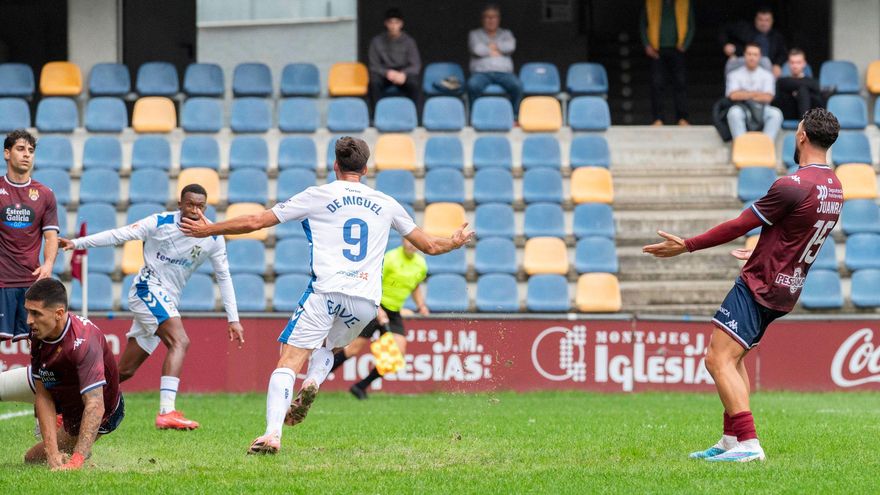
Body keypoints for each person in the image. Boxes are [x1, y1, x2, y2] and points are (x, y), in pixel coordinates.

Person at [179, 136, 473, 455]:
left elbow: (255, 221)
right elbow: (428, 245)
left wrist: (209, 229)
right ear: (365, 168)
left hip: (326, 290)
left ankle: (272, 434)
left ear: (335, 166)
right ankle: (315, 381)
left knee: (288, 359)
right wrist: (455, 241)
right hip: (365, 302)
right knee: (329, 347)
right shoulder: (386, 203)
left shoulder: (317, 195)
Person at [643, 108, 842, 462]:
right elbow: (796, 235)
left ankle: (749, 444)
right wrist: (760, 249)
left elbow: (739, 224)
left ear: (801, 137)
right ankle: (731, 440)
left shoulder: (792, 185)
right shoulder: (835, 187)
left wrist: (687, 245)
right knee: (733, 360)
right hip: (786, 286)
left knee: (716, 359)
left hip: (760, 284)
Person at [59, 184, 244, 430]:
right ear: (180, 204)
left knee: (124, 370)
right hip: (147, 289)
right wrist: (76, 243)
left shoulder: (213, 237)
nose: (195, 210)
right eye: (190, 204)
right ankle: (167, 411)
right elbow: (119, 234)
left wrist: (233, 318)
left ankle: (65, 405)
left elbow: (224, 277)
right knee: (180, 341)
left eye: (200, 206)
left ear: (206, 208)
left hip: (167, 300)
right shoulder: (160, 223)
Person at [23, 279, 124, 470]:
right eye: (28, 311)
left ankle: (80, 447)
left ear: (59, 313)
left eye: (36, 313)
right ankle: (64, 428)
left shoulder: (83, 342)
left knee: (32, 459)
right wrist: (51, 452)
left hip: (100, 412)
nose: (29, 320)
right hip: (63, 388)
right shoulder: (38, 333)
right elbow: (43, 395)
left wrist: (75, 461)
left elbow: (95, 405)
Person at [0, 129, 59, 405]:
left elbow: (50, 236)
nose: (26, 155)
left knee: (42, 352)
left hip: (30, 284)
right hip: (1, 283)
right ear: (7, 153)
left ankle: (45, 412)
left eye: (31, 151)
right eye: (21, 149)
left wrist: (48, 265)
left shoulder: (45, 194)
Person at [338, 238, 428, 400]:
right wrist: (378, 309)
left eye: (415, 243)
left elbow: (415, 286)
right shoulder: (391, 258)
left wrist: (421, 305)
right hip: (374, 306)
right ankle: (316, 381)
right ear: (403, 241)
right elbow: (373, 283)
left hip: (393, 312)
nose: (411, 245)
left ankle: (360, 386)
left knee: (396, 355)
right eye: (409, 241)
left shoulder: (421, 265)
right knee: (352, 350)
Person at [640, 0, 695, 126]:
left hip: (677, 49)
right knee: (657, 84)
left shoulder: (684, 3)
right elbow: (643, 24)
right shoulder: (650, 2)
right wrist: (647, 45)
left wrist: (685, 44)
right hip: (657, 50)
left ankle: (682, 118)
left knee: (680, 83)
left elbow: (691, 25)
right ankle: (658, 118)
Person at [467, 4, 523, 114]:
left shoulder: (506, 33)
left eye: (494, 17)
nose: (491, 20)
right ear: (482, 19)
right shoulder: (474, 34)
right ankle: (475, 116)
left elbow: (510, 46)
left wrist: (488, 48)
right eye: (487, 17)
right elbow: (477, 49)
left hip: (504, 73)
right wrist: (499, 49)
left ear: (499, 19)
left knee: (517, 86)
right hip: (481, 73)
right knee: (472, 85)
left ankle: (514, 118)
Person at [725, 43, 783, 139]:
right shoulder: (734, 74)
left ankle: (765, 147)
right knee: (733, 113)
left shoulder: (767, 75)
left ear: (760, 57)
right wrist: (757, 94)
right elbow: (733, 96)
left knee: (776, 114)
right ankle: (741, 147)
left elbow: (768, 97)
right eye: (749, 54)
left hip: (762, 108)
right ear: (744, 55)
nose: (752, 57)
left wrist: (744, 93)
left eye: (755, 54)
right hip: (742, 108)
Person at [368, 8, 422, 110]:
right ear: (386, 24)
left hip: (403, 74)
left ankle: (416, 118)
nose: (393, 26)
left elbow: (416, 65)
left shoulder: (409, 42)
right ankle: (376, 117)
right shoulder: (376, 41)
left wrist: (403, 74)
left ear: (401, 24)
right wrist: (387, 73)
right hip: (384, 75)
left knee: (414, 84)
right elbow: (373, 65)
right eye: (390, 23)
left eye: (396, 23)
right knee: (373, 83)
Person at [721, 6, 787, 77]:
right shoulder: (744, 29)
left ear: (772, 21)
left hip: (769, 69)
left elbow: (783, 53)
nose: (763, 23)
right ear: (755, 19)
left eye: (767, 20)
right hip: (744, 66)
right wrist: (725, 45)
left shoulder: (776, 36)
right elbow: (724, 30)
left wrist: (778, 65)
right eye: (760, 20)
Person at [773, 48, 825, 120]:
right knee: (803, 89)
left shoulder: (813, 82)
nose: (795, 66)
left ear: (804, 63)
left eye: (798, 62)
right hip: (788, 114)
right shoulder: (783, 81)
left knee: (803, 91)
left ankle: (804, 123)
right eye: (792, 62)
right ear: (788, 64)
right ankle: (804, 124)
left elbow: (816, 89)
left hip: (811, 115)